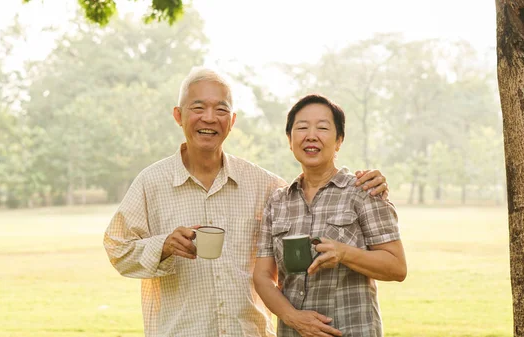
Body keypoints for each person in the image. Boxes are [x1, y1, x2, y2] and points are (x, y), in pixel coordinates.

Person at [103, 68, 391, 337]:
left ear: (232, 121)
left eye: (221, 110)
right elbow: (117, 248)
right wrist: (163, 246)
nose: (209, 118)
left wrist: (367, 180)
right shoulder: (151, 182)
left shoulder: (264, 185)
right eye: (198, 108)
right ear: (178, 115)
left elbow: (314, 186)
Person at [253, 94, 407, 337]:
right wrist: (294, 318)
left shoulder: (364, 190)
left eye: (323, 128)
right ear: (290, 140)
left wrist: (345, 253)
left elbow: (397, 267)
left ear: (339, 141)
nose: (311, 135)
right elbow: (262, 276)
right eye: (302, 127)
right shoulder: (277, 201)